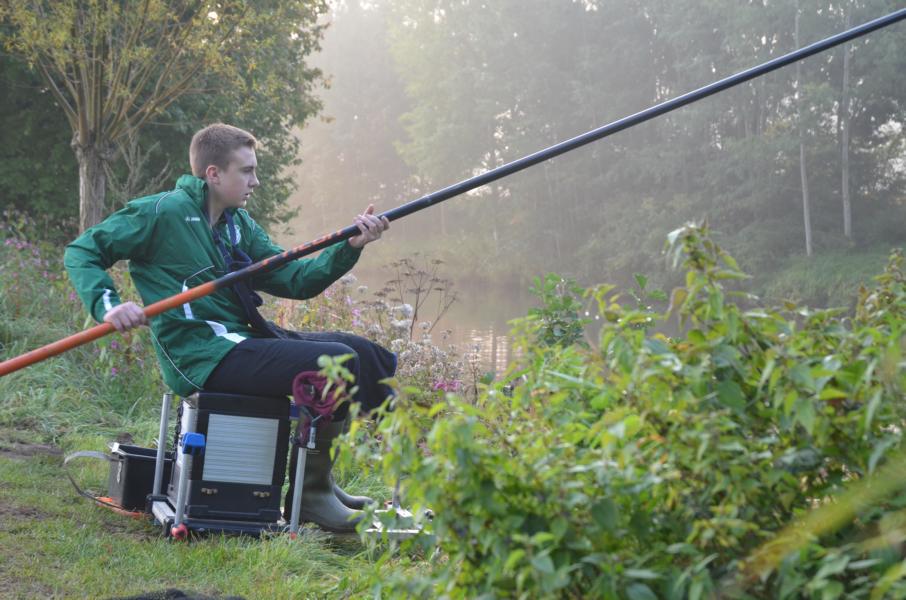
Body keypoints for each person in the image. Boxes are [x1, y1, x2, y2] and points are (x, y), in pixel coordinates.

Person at [64, 123, 395, 532]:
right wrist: (110, 305)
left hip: (242, 341)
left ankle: (320, 483)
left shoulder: (240, 225)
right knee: (335, 361)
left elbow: (297, 281)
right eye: (247, 171)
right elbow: (83, 251)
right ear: (214, 174)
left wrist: (350, 247)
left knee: (364, 353)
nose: (256, 181)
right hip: (200, 356)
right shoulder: (161, 212)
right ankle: (310, 498)